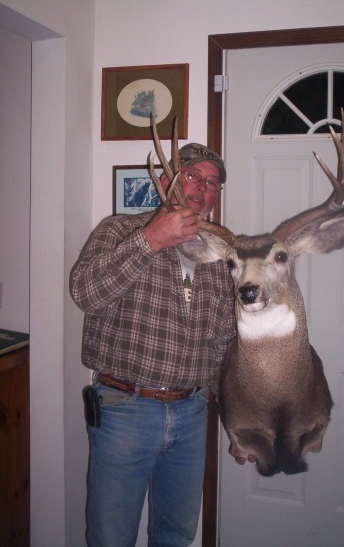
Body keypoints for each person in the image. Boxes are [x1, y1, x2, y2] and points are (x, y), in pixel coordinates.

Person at [70, 142, 236, 547]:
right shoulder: (117, 230)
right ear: (166, 180)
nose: (202, 188)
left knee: (176, 536)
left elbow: (222, 348)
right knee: (111, 537)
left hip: (193, 412)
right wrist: (151, 240)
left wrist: (237, 423)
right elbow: (84, 293)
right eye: (192, 175)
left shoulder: (218, 256)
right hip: (125, 410)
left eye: (212, 183)